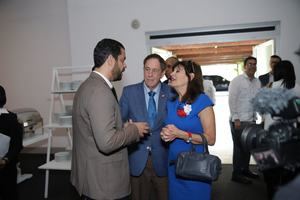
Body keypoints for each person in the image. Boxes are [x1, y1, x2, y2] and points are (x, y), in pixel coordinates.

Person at [71, 38, 150, 200]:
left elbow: (96, 131)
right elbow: (106, 142)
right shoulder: (100, 92)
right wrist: (134, 130)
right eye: (123, 60)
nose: (125, 65)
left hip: (94, 178)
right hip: (104, 184)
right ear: (110, 60)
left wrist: (123, 128)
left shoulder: (88, 85)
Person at [160, 60, 216, 200]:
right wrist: (165, 134)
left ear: (190, 77)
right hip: (174, 167)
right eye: (172, 71)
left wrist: (181, 134)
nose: (171, 73)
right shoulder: (171, 103)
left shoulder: (202, 101)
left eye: (177, 71)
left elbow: (210, 139)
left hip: (195, 168)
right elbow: (170, 128)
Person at [120, 54, 172, 200]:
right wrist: (128, 127)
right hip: (137, 159)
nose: (149, 74)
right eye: (147, 69)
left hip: (163, 159)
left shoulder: (171, 93)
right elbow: (117, 123)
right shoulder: (129, 92)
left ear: (162, 73)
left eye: (155, 70)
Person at [228, 56, 261, 184]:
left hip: (251, 120)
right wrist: (235, 118)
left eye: (254, 64)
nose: (252, 66)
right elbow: (232, 100)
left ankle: (245, 170)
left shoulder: (257, 82)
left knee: (248, 147)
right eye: (250, 64)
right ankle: (236, 174)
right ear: (244, 66)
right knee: (239, 148)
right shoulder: (237, 81)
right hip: (239, 121)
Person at [0, 85, 23, 200]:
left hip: (6, 166)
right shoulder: (13, 118)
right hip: (7, 164)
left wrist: (5, 160)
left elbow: (17, 144)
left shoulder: (12, 119)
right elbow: (18, 144)